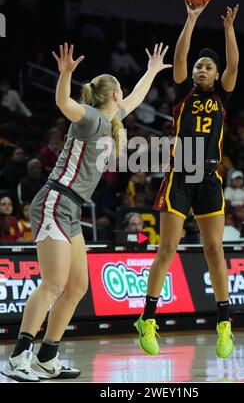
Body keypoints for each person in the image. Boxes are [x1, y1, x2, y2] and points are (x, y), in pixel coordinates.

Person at [1, 41, 171, 382]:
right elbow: (63, 102)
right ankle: (19, 356)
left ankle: (47, 356)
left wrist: (152, 70)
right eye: (120, 90)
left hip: (72, 209)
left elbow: (136, 98)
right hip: (54, 201)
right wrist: (64, 76)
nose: (125, 94)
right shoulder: (91, 118)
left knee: (77, 286)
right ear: (111, 95)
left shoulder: (113, 119)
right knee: (52, 283)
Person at [135, 1, 239, 359]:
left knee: (215, 251)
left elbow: (234, 65)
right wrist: (191, 19)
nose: (201, 70)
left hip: (208, 177)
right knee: (167, 249)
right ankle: (147, 318)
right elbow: (179, 59)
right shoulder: (184, 93)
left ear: (216, 74)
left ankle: (224, 324)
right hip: (181, 174)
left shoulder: (223, 94)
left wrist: (228, 31)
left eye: (208, 67)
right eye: (199, 66)